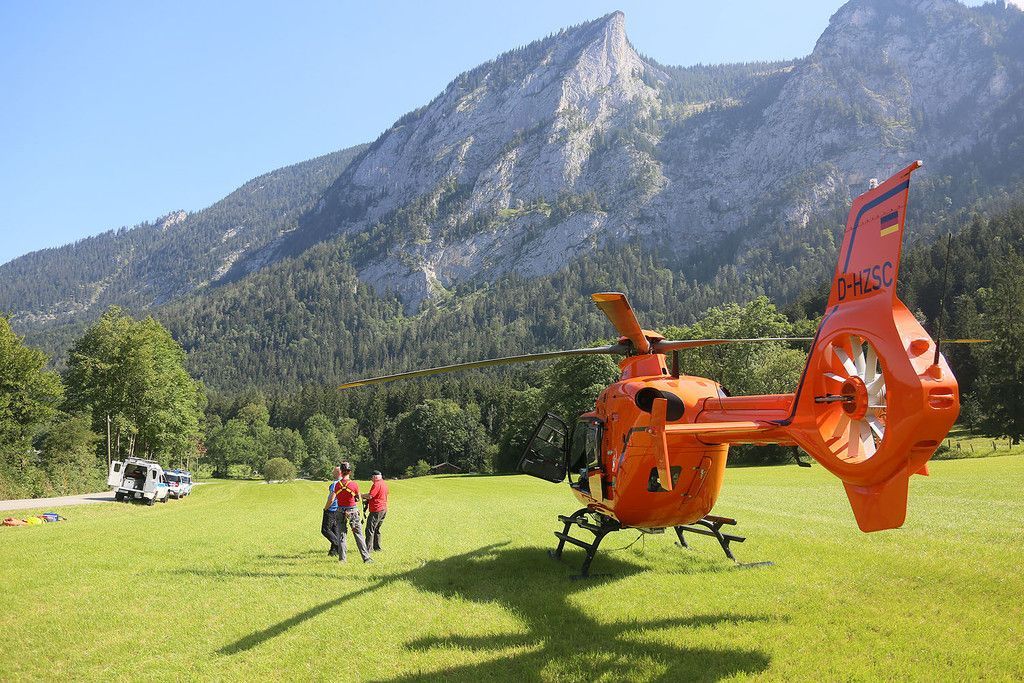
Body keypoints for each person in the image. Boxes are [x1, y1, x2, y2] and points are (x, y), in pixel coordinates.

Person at [328, 461, 372, 563]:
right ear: (350, 472)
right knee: (358, 535)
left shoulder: (337, 485)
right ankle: (366, 558)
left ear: (341, 471)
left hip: (340, 510)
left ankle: (342, 559)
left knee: (341, 535)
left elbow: (336, 496)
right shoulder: (354, 484)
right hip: (352, 510)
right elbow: (358, 498)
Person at [362, 470, 389, 552]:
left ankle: (368, 549)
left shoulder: (376, 484)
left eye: (372, 477)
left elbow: (370, 496)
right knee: (377, 528)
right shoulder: (384, 483)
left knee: (369, 529)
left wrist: (361, 495)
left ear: (374, 477)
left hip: (376, 510)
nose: (371, 479)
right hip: (383, 509)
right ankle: (377, 547)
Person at [321, 466, 342, 556]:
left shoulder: (335, 484)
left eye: (334, 471)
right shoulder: (343, 483)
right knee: (335, 530)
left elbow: (332, 498)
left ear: (338, 472)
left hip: (332, 509)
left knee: (325, 530)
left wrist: (326, 508)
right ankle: (333, 552)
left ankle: (339, 545)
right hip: (339, 509)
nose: (332, 472)